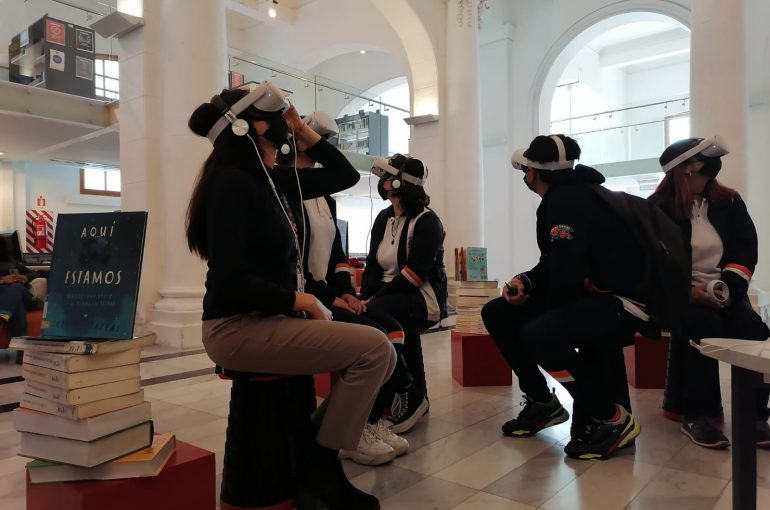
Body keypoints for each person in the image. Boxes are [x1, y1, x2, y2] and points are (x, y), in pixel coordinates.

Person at [185, 82, 396, 510]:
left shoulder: (270, 179)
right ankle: (320, 461)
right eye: (280, 118)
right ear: (249, 127)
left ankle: (312, 449)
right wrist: (303, 301)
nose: (287, 125)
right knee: (374, 350)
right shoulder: (231, 183)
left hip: (266, 319)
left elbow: (344, 175)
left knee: (383, 351)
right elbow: (230, 282)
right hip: (235, 327)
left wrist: (301, 127)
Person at [481, 134, 645, 460]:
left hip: (622, 305)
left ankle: (611, 417)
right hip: (602, 298)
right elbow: (556, 265)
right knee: (499, 312)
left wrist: (534, 305)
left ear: (534, 172)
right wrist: (526, 283)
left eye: (526, 169)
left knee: (540, 333)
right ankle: (542, 402)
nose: (524, 175)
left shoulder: (564, 202)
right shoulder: (569, 195)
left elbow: (566, 275)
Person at [294, 111, 410, 466]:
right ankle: (351, 430)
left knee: (394, 330)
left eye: (327, 140)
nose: (322, 145)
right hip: (307, 300)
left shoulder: (325, 198)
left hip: (328, 294)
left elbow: (337, 255)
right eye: (317, 138)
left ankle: (370, 420)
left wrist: (347, 291)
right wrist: (331, 296)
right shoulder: (288, 189)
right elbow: (297, 263)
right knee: (378, 338)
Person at [650, 136, 770, 449]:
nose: (706, 180)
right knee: (703, 327)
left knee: (754, 331)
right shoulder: (657, 210)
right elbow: (652, 266)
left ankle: (756, 416)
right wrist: (689, 292)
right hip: (682, 297)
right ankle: (699, 415)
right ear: (682, 172)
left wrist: (728, 287)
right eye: (700, 174)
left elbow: (745, 249)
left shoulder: (729, 202)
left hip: (726, 291)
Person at [360, 153, 448, 434]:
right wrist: (365, 296)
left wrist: (375, 300)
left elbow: (415, 273)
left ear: (400, 184)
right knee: (368, 314)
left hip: (423, 296)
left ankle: (406, 389)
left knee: (380, 313)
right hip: (390, 297)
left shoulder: (428, 222)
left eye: (388, 177)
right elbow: (373, 264)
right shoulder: (383, 218)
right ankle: (405, 395)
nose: (383, 182)